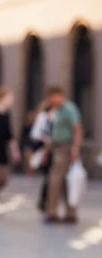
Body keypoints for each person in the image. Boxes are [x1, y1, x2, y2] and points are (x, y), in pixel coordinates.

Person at [43, 86, 83, 224]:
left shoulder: (69, 109)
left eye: (52, 98)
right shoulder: (57, 111)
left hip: (66, 147)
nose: (50, 101)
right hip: (57, 147)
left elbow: (77, 129)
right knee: (65, 181)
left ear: (59, 96)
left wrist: (75, 149)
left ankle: (52, 211)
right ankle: (70, 212)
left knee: (55, 178)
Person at [21, 111, 37, 176]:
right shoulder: (26, 126)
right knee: (27, 159)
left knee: (32, 159)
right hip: (27, 144)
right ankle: (29, 172)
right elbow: (23, 136)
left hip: (33, 144)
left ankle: (32, 172)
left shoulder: (35, 125)